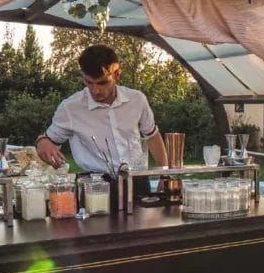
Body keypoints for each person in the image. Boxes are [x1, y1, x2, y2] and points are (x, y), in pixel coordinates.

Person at [35, 45, 168, 181]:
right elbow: (48, 141)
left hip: (138, 179)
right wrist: (42, 141)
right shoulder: (70, 108)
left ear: (116, 74)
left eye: (102, 83)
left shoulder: (137, 99)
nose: (95, 90)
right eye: (89, 82)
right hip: (95, 184)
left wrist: (165, 176)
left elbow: (152, 136)